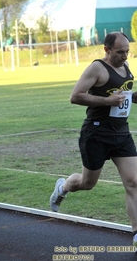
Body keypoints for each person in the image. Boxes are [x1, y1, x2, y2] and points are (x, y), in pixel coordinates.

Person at [49, 32, 137, 247]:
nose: (125, 56)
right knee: (87, 183)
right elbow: (75, 96)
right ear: (107, 50)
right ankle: (63, 187)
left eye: (127, 51)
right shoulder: (97, 68)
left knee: (134, 182)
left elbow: (123, 95)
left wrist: (133, 97)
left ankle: (136, 233)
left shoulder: (125, 67)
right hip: (96, 134)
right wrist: (108, 101)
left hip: (121, 133)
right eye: (120, 52)